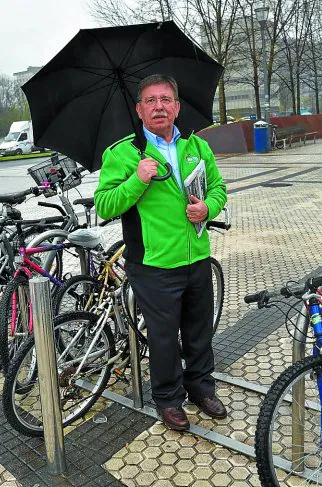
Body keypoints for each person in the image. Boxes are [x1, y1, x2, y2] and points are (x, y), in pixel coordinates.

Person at [94, 74, 228, 431]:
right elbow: (104, 206)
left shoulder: (196, 147)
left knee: (199, 332)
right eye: (150, 100)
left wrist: (208, 209)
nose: (159, 106)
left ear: (177, 107)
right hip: (153, 264)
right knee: (165, 338)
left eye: (166, 99)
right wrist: (137, 179)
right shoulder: (123, 152)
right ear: (139, 109)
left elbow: (218, 188)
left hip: (197, 257)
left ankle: (201, 387)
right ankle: (168, 399)